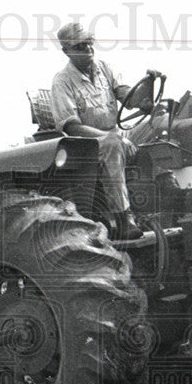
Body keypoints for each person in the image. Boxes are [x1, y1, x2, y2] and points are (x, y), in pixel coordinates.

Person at [50, 22, 157, 240]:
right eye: (80, 46)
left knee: (161, 122)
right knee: (111, 144)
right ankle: (123, 217)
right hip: (87, 144)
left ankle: (166, 186)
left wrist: (147, 88)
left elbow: (128, 97)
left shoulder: (104, 68)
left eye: (89, 43)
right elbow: (71, 126)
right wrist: (108, 137)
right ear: (67, 51)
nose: (88, 49)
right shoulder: (62, 82)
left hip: (116, 133)